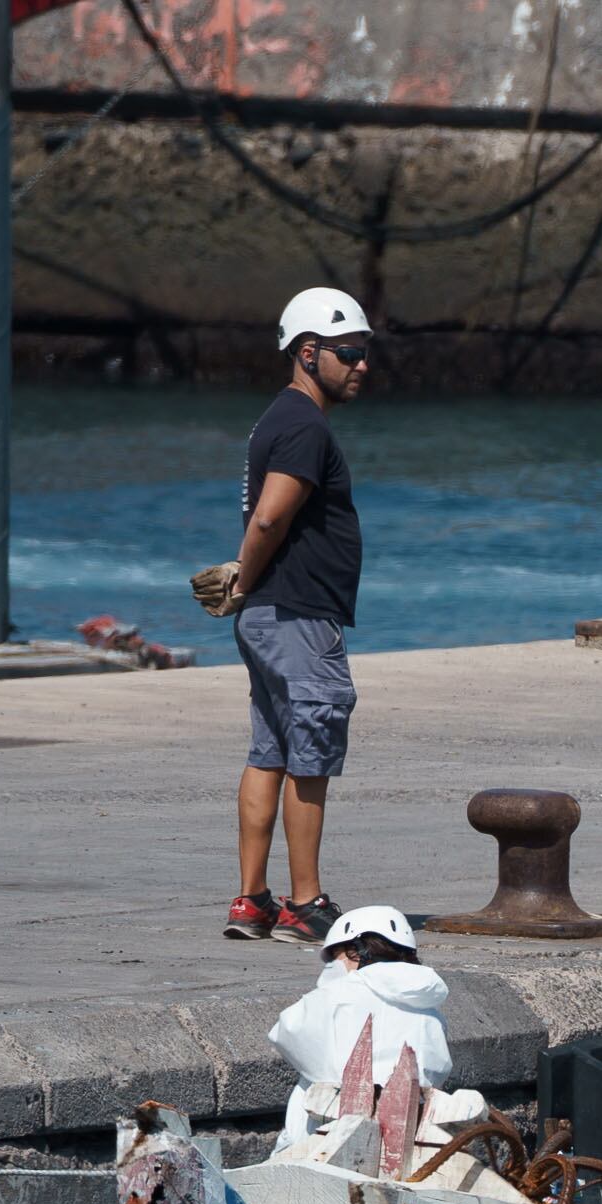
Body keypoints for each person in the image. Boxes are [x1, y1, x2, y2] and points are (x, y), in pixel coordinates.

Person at [200, 285, 373, 946]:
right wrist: (244, 573)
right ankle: (305, 903)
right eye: (349, 353)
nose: (362, 366)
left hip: (271, 617)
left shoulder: (276, 417)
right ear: (309, 352)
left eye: (362, 354)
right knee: (310, 754)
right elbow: (272, 513)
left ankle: (251, 901)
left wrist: (247, 586)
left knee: (269, 750)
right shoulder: (304, 424)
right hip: (296, 615)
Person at [267, 906, 455, 1143]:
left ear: (354, 952)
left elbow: (286, 1030)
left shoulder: (340, 993)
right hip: (409, 1132)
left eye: (336, 957)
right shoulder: (429, 1008)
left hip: (330, 1134)